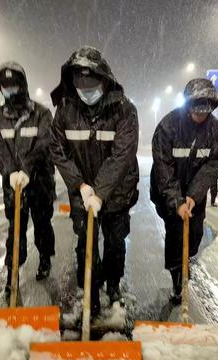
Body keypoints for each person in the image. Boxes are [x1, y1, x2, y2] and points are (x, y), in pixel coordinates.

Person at [50, 46, 139, 317]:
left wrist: (99, 193)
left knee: (114, 242)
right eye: (81, 84)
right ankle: (90, 290)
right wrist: (81, 186)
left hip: (116, 192)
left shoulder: (123, 110)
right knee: (85, 243)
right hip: (82, 191)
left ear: (105, 80)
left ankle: (113, 285)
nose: (86, 90)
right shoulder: (65, 109)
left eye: (92, 83)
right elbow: (58, 149)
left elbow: (122, 154)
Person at [150, 78, 218, 304]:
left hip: (195, 193)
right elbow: (163, 167)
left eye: (206, 109)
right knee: (176, 232)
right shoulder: (168, 126)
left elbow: (212, 164)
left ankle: (186, 259)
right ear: (188, 105)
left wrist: (193, 195)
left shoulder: (215, 129)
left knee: (194, 235)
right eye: (196, 109)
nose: (201, 115)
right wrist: (177, 200)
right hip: (168, 190)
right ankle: (177, 277)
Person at [0, 62, 56, 296]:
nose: (10, 91)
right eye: (5, 87)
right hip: (13, 183)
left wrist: (26, 170)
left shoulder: (41, 114)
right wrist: (10, 171)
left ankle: (45, 256)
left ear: (23, 85)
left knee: (42, 224)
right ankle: (12, 272)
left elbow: (44, 144)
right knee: (15, 228)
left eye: (14, 85)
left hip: (40, 182)